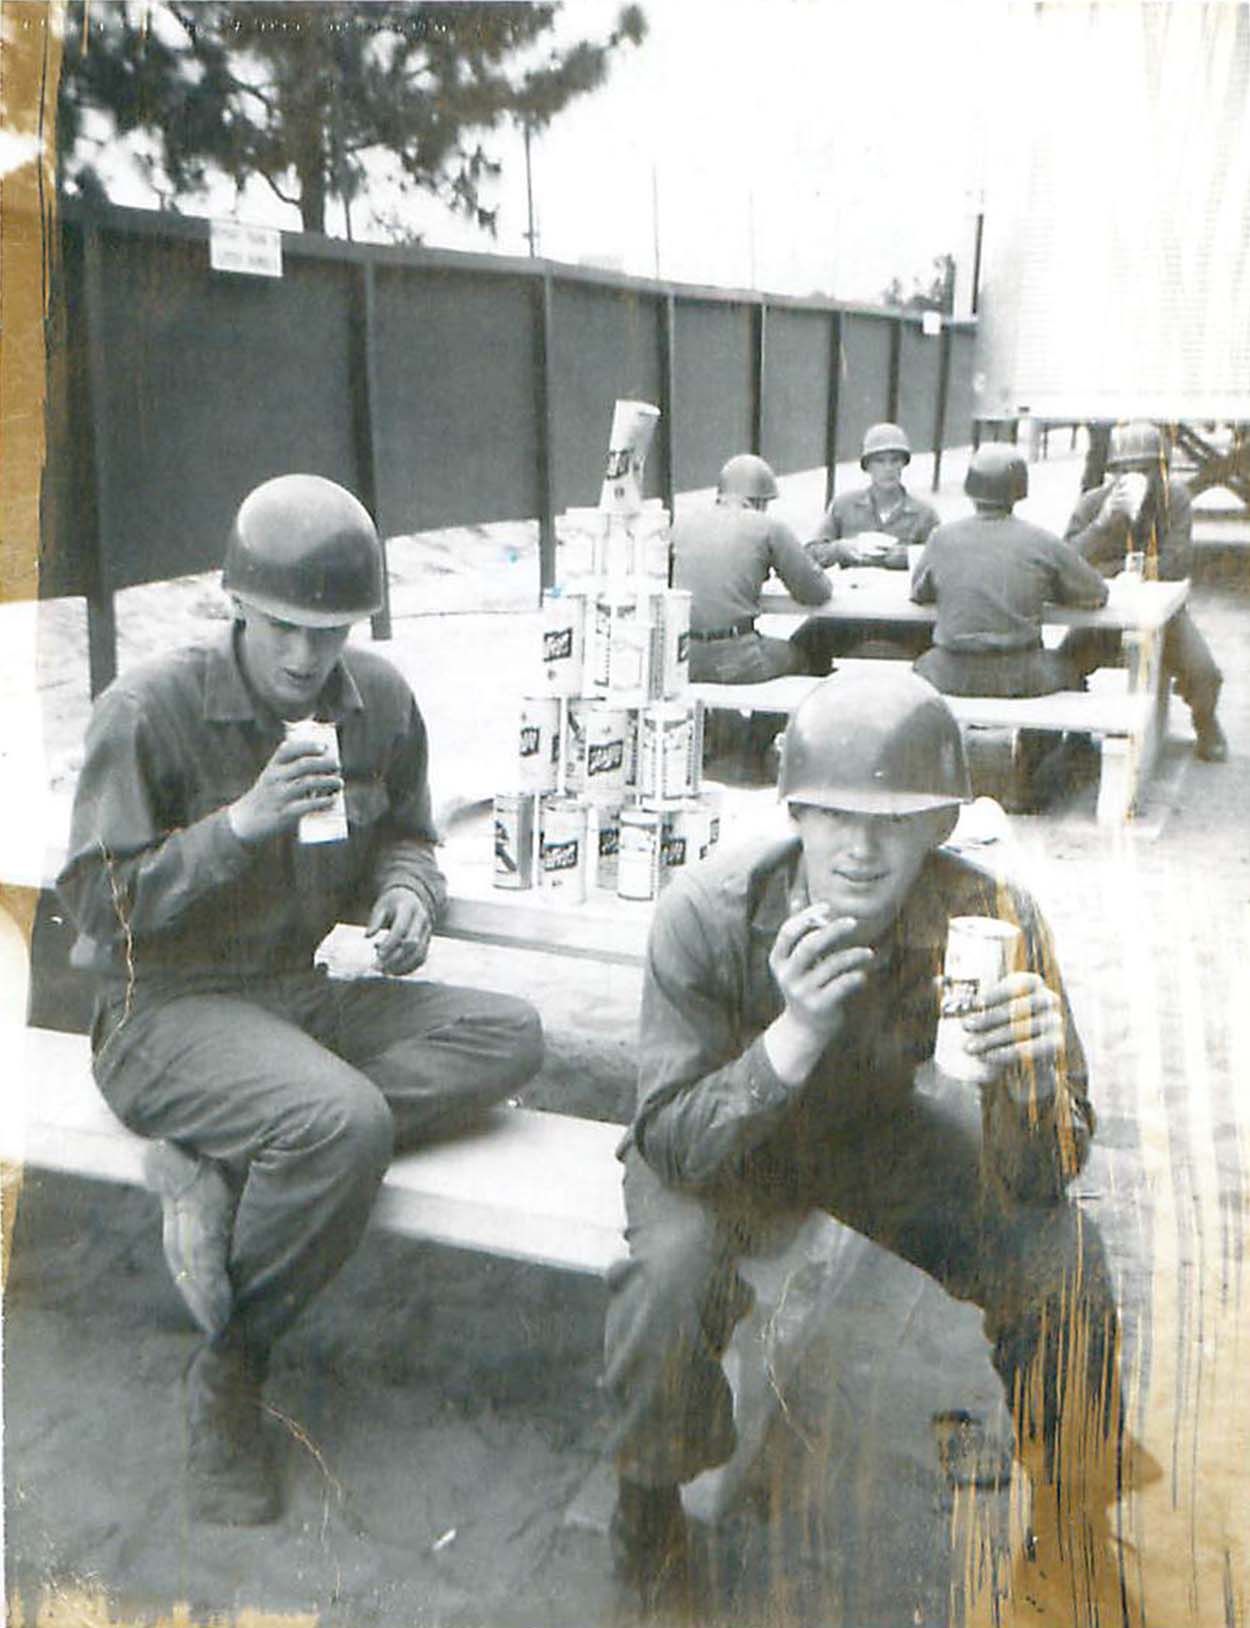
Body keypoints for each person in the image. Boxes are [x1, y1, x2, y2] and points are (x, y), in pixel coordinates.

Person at [602, 668, 1144, 1623]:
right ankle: (648, 1516)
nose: (858, 849)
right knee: (671, 1276)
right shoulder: (709, 910)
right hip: (723, 1133)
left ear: (939, 827)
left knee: (1059, 1258)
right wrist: (792, 1038)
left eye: (894, 821)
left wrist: (1030, 1085)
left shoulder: (992, 918)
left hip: (863, 1132)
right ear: (796, 812)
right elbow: (673, 1139)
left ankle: (1070, 1519)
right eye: (834, 816)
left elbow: (1049, 1173)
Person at [56, 473, 544, 1526]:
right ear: (234, 604)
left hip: (294, 997)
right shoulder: (150, 707)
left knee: (508, 1034)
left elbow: (410, 830)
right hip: (161, 1011)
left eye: (329, 630)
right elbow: (99, 913)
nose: (303, 657)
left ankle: (236, 1155)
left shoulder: (376, 698)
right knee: (341, 1118)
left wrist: (409, 893)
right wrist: (237, 825)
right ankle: (230, 1372)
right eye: (281, 626)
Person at [1063, 419, 1227, 762]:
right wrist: (1103, 525)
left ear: (1160, 470)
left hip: (1162, 614)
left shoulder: (1175, 500)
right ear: (1113, 471)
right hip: (1102, 616)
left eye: (1145, 468)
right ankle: (1074, 734)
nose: (1135, 476)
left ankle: (1205, 721)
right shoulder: (1094, 504)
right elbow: (1065, 562)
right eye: (1126, 469)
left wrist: (1123, 572)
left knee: (1204, 673)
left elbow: (1177, 563)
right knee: (1062, 666)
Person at [912, 443, 1108, 697]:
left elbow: (919, 593)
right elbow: (1095, 593)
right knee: (1071, 673)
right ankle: (1042, 739)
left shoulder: (941, 538)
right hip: (1019, 674)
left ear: (970, 489)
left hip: (948, 672)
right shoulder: (1040, 540)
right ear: (1018, 491)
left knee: (916, 669)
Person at [671, 452, 832, 685]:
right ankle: (770, 722)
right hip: (737, 659)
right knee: (806, 655)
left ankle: (728, 721)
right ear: (759, 501)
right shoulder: (767, 526)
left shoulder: (683, 524)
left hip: (684, 657)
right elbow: (815, 592)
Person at [792, 422, 940, 673]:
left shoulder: (923, 514)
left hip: (906, 616)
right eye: (880, 461)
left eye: (895, 460)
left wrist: (905, 556)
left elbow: (941, 563)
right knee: (801, 648)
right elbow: (810, 553)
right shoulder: (844, 506)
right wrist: (842, 549)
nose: (888, 469)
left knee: (940, 653)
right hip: (850, 614)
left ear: (904, 464)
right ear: (867, 466)